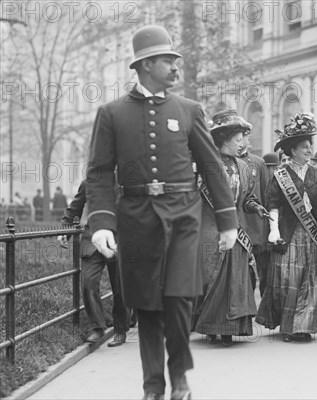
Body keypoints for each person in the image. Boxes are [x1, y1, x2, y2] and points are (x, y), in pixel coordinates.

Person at [85, 25, 238, 400]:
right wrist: (102, 222)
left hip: (184, 216)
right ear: (145, 64)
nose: (175, 66)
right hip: (136, 219)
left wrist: (227, 220)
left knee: (179, 299)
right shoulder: (111, 113)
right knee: (148, 305)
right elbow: (100, 172)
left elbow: (212, 165)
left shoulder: (189, 110)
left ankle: (180, 377)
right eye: (167, 59)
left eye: (175, 59)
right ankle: (153, 386)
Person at [256, 112, 317, 342]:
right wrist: (273, 230)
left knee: (310, 279)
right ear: (292, 151)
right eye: (304, 146)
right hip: (288, 233)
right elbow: (272, 203)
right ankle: (289, 327)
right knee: (288, 279)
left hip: (311, 236)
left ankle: (305, 326)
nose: (309, 150)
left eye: (310, 145)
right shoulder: (280, 175)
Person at [193, 110, 268, 347]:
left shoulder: (244, 167)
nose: (243, 144)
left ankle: (229, 329)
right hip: (210, 229)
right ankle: (210, 328)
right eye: (238, 140)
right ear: (224, 139)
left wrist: (255, 207)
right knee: (212, 279)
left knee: (235, 282)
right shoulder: (206, 166)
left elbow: (245, 198)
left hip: (236, 231)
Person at [57, 180, 130, 347]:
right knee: (88, 284)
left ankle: (120, 330)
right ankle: (97, 327)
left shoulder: (128, 179)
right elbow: (75, 206)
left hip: (120, 240)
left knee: (120, 288)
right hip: (92, 241)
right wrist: (65, 229)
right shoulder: (90, 181)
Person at [238, 119, 270, 297]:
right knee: (243, 271)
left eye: (247, 136)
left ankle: (265, 305)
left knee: (264, 269)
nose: (245, 140)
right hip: (239, 224)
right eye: (241, 136)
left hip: (257, 225)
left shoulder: (258, 163)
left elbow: (266, 195)